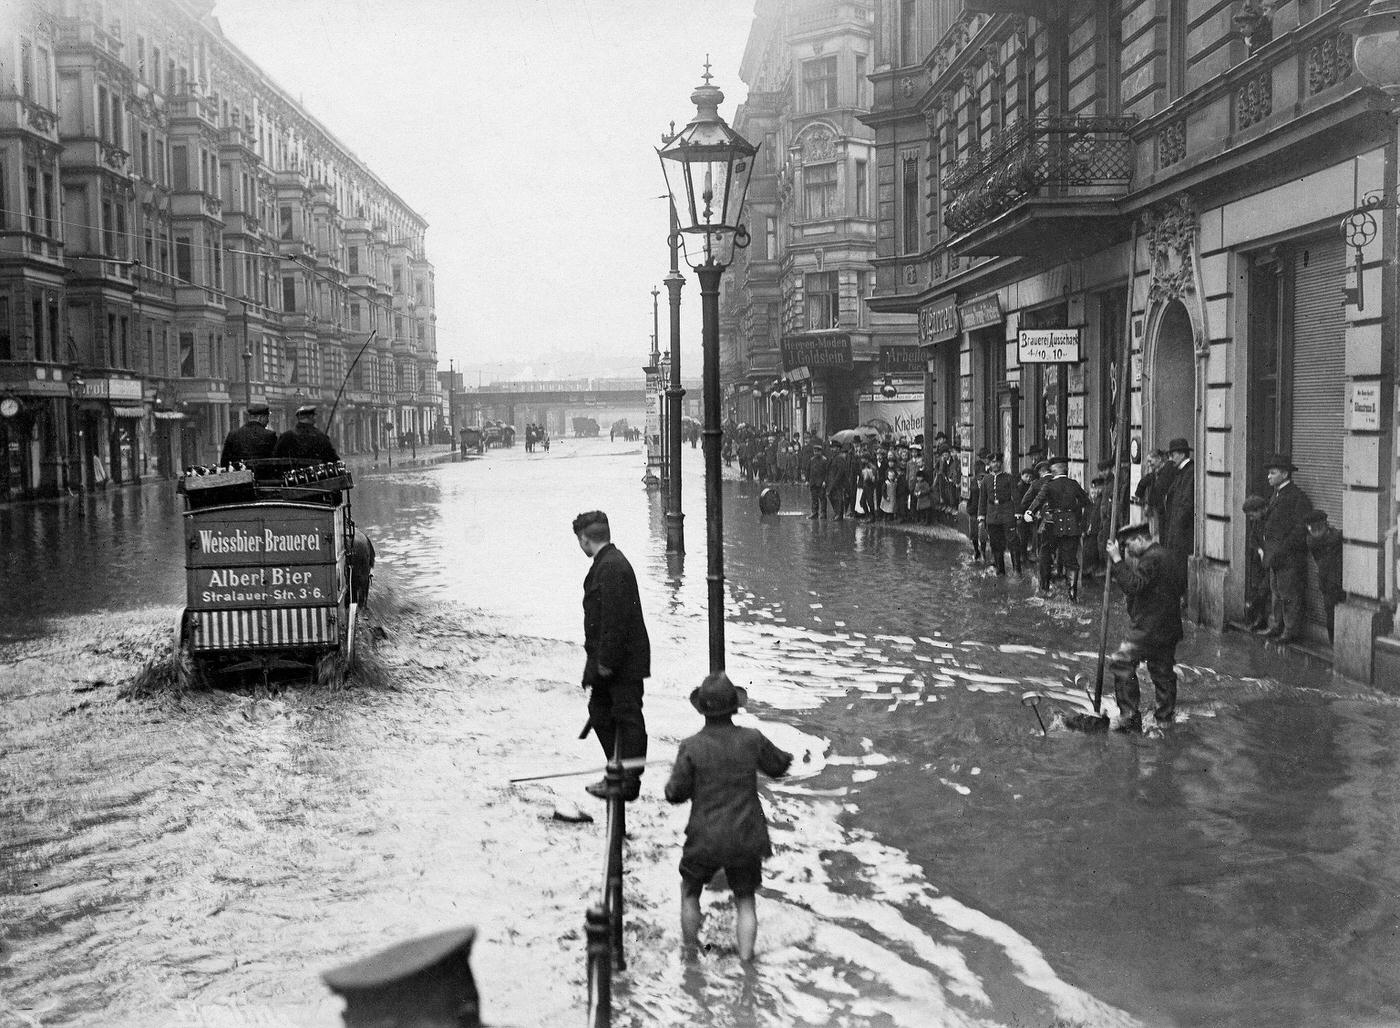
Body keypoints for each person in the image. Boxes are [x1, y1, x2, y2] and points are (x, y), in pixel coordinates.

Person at [664, 671, 793, 962]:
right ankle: (747, 964)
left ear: (702, 710)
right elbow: (778, 766)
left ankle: (690, 957)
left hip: (704, 837)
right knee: (745, 901)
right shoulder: (752, 739)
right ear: (735, 706)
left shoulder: (691, 746)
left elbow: (675, 794)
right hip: (745, 835)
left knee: (689, 892)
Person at [573, 510, 651, 800]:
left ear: (584, 540)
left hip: (619, 664)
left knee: (627, 716)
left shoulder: (610, 567)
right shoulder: (609, 563)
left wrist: (605, 663)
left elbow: (614, 621)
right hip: (615, 661)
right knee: (601, 713)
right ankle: (617, 772)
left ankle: (627, 780)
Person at [1105, 521, 1184, 731]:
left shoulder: (1151, 559)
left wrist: (1117, 560)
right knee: (1162, 671)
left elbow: (1133, 586)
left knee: (1121, 662)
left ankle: (1130, 717)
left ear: (1141, 539)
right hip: (1168, 626)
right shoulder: (1167, 555)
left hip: (1149, 628)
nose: (1128, 551)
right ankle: (1165, 720)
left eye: (1129, 545)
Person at [1258, 454, 1312, 644]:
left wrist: (1283, 549)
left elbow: (1300, 529)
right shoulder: (1276, 495)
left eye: (1273, 473)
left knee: (1289, 594)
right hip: (1275, 556)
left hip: (1288, 557)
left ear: (1285, 474)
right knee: (1276, 593)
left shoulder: (1296, 497)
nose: (1268, 477)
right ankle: (1276, 626)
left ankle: (1290, 631)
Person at [1024, 457, 1089, 600]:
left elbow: (1039, 499)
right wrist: (1074, 515)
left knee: (1045, 554)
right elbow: (1086, 502)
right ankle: (1072, 594)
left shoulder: (1049, 485)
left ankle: (1044, 588)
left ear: (1053, 470)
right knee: (1071, 560)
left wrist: (1029, 512)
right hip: (1071, 526)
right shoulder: (1074, 484)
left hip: (1052, 524)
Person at [977, 453, 1021, 575]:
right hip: (992, 514)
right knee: (996, 544)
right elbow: (982, 499)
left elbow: (1016, 496)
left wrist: (1017, 513)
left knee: (1013, 542)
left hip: (1007, 512)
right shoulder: (986, 479)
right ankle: (1000, 570)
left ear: (1001, 463)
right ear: (989, 464)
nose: (995, 464)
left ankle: (1017, 571)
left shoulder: (1008, 477)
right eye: (993, 462)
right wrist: (981, 517)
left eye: (997, 461)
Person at [1161, 437, 1195, 597]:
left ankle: (1180, 597)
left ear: (1181, 454)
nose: (1171, 458)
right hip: (1176, 530)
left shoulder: (1189, 473)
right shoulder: (1181, 473)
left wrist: (1176, 527)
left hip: (1182, 532)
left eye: (1173, 454)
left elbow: (1186, 503)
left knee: (1180, 565)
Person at [1304, 509, 1343, 643]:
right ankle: (1334, 643)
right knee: (1331, 614)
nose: (1312, 530)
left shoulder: (1331, 535)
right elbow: (1333, 539)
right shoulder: (1314, 540)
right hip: (1329, 583)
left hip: (1338, 581)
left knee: (1334, 613)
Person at [1242, 495, 1272, 631]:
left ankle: (1263, 619)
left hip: (1269, 561)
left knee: (1264, 591)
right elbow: (1252, 539)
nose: (1251, 518)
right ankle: (1259, 618)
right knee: (1258, 590)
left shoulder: (1271, 521)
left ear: (1262, 509)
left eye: (1252, 514)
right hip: (1258, 562)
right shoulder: (1257, 522)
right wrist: (1259, 549)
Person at [273, 405, 340, 462]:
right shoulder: (321, 437)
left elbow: (276, 456)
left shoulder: (286, 436)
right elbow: (333, 459)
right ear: (311, 417)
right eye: (314, 415)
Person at [219, 401, 276, 466]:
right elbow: (274, 461)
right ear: (261, 418)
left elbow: (224, 462)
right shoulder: (270, 435)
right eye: (267, 418)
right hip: (261, 475)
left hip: (240, 475)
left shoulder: (233, 435)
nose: (268, 421)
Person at [806, 443, 829, 519]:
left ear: (820, 452)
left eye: (817, 451)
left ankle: (823, 513)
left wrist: (825, 481)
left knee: (822, 498)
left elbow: (827, 472)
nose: (816, 453)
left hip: (821, 483)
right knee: (814, 498)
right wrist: (807, 480)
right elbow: (808, 470)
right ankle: (814, 512)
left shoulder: (824, 460)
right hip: (813, 483)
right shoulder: (811, 460)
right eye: (815, 451)